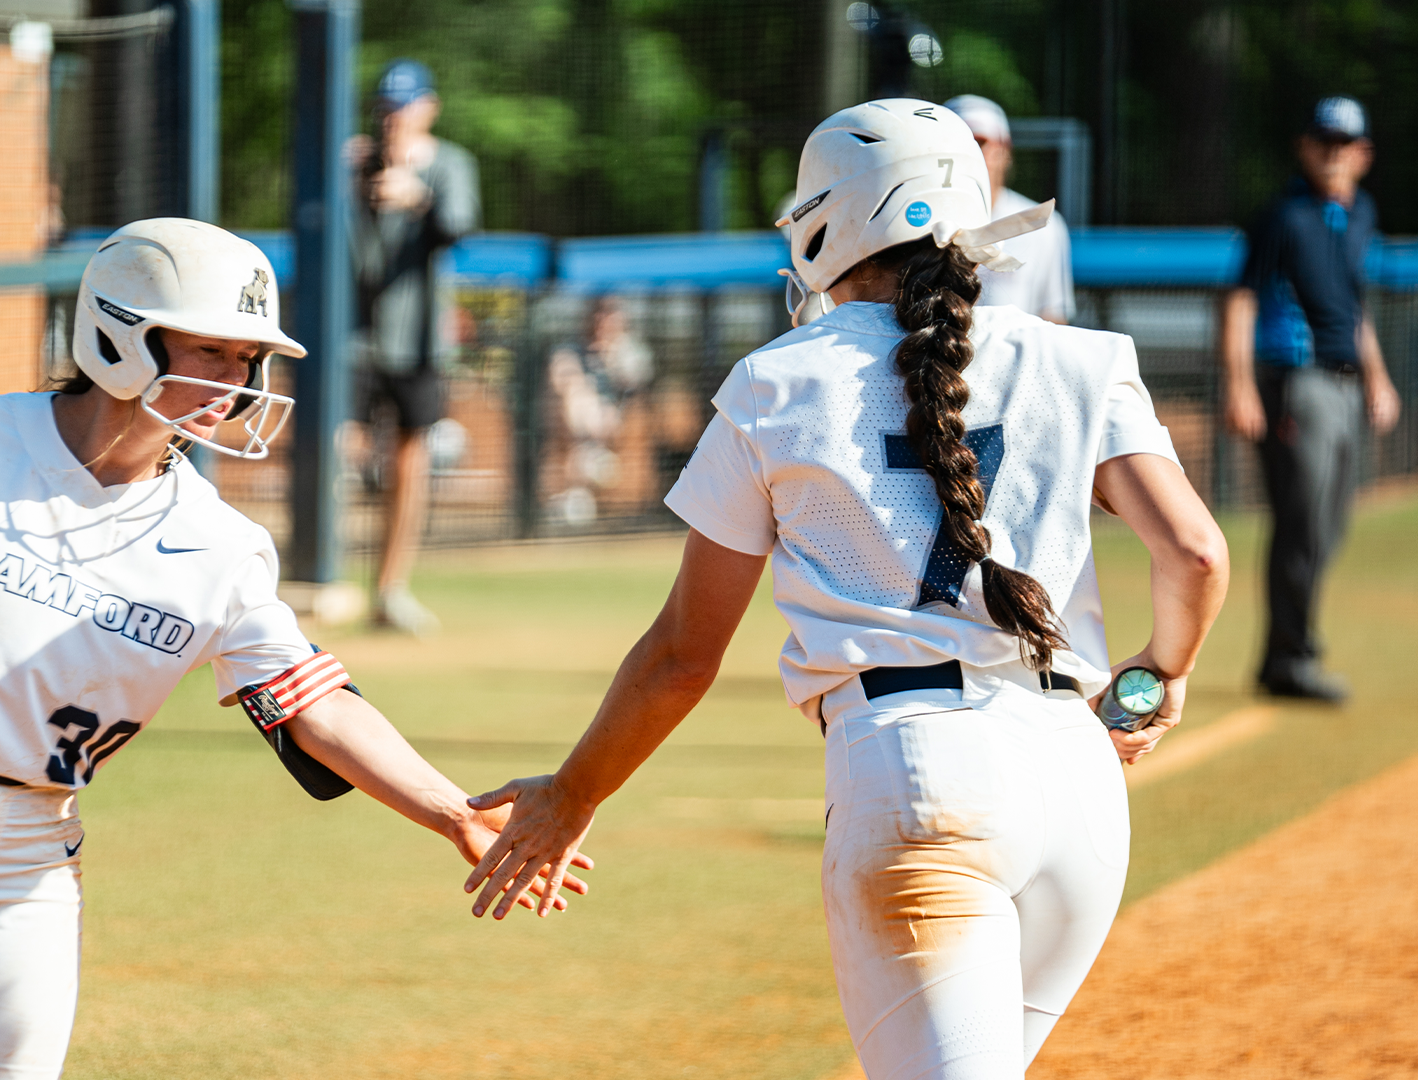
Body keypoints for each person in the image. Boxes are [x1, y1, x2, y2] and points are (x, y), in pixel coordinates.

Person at [463, 100, 1229, 1080]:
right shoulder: (1085, 360)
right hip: (1078, 783)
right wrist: (1160, 678)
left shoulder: (775, 383)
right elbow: (1197, 554)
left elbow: (681, 657)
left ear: (837, 220)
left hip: (916, 780)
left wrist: (572, 797)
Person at [0, 219, 587, 1080]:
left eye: (248, 362)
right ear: (123, 336)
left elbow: (315, 708)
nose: (235, 384)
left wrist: (453, 811)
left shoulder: (222, 545)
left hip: (31, 850)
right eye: (213, 351)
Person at [1221, 95, 1402, 703]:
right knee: (1300, 522)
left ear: (1363, 154)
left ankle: (1289, 649)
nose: (1333, 153)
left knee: (1330, 524)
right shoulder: (1282, 215)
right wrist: (1240, 383)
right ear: (1305, 147)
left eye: (1344, 143)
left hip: (1346, 382)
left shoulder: (1361, 214)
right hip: (1295, 381)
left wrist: (1378, 377)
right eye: (1322, 141)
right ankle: (1290, 658)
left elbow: (1355, 308)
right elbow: (1242, 298)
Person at [351, 58, 479, 635]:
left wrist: (416, 195)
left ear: (428, 107)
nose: (392, 120)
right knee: (339, 449)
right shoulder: (350, 161)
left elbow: (458, 227)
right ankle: (324, 576)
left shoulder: (451, 164)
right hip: (353, 336)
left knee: (410, 460)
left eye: (402, 108)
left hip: (419, 338)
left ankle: (390, 588)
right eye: (384, 109)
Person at [944, 94, 1077, 323]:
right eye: (958, 143)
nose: (969, 153)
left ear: (1004, 150)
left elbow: (1053, 316)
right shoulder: (922, 224)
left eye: (979, 142)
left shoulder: (1043, 225)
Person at [548, 296, 655, 523]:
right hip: (577, 424)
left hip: (611, 422)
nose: (602, 321)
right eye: (598, 314)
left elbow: (637, 381)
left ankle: (585, 473)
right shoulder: (571, 350)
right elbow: (560, 381)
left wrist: (611, 356)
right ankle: (584, 474)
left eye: (609, 315)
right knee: (576, 391)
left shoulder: (629, 351)